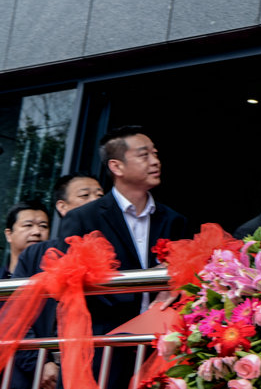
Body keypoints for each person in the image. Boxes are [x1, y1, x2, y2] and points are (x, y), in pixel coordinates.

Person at [59, 124, 189, 389]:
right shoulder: (84, 218)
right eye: (144, 155)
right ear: (116, 166)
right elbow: (67, 283)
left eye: (155, 153)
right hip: (104, 343)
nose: (155, 161)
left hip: (159, 346)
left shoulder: (174, 220)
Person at [11, 174, 104, 389]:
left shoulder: (116, 252)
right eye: (85, 195)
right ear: (62, 206)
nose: (96, 201)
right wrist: (40, 363)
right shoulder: (35, 254)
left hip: (97, 366)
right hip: (38, 374)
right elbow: (16, 314)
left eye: (100, 196)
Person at [2, 200, 50, 278]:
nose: (37, 232)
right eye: (28, 225)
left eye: (43, 226)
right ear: (9, 234)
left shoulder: (55, 277)